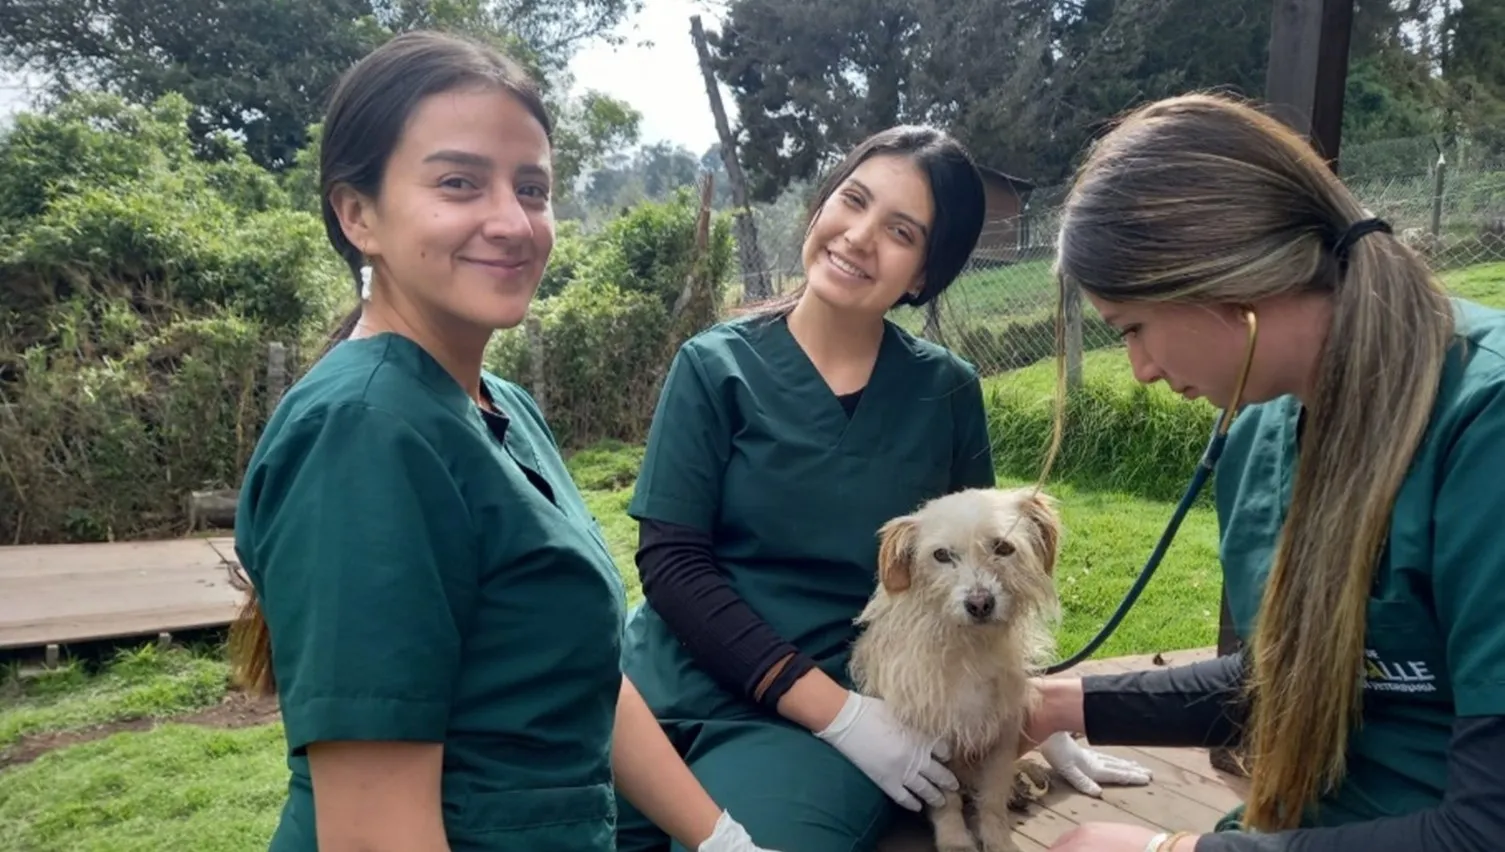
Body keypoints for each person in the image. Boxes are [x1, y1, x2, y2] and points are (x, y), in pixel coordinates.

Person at [228, 30, 780, 852]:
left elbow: (581, 673)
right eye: (458, 183)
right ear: (358, 214)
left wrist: (723, 840)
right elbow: (378, 834)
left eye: (532, 188)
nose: (511, 222)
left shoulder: (500, 407)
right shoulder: (365, 432)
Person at [613, 125, 1149, 852]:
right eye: (852, 200)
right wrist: (841, 718)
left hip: (821, 722)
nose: (859, 237)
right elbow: (672, 566)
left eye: (900, 230)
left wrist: (1026, 721)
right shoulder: (714, 368)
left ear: (926, 272)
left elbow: (985, 573)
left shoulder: (945, 390)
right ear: (820, 206)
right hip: (660, 689)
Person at [1022, 91, 1505, 852]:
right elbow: (1284, 680)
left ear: (1220, 278)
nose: (1141, 369)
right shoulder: (1260, 435)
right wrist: (1048, 705)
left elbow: (1487, 829)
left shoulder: (1485, 427)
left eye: (1132, 328)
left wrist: (1165, 849)